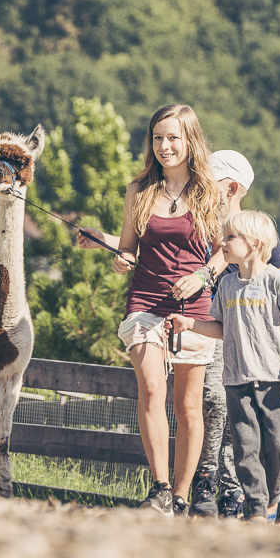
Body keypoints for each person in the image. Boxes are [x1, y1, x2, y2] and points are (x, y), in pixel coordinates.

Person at [91, 104, 224, 516]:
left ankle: (181, 495)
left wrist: (202, 277)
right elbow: (129, 245)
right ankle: (160, 487)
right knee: (151, 386)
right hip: (145, 301)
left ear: (190, 141)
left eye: (173, 138)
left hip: (194, 307)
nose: (165, 146)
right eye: (157, 138)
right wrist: (122, 258)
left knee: (188, 406)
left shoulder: (210, 192)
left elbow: (224, 253)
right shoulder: (139, 190)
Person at [190, 149, 280, 519]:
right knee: (215, 406)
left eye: (211, 181)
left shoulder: (255, 232)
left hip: (259, 342)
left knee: (257, 430)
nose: (201, 186)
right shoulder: (198, 222)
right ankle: (211, 483)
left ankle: (240, 496)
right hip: (219, 322)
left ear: (231, 187)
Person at [170, 210, 280, 522]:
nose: (223, 242)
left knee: (279, 447)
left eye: (231, 237)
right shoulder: (227, 285)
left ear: (255, 244)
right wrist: (188, 323)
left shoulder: (278, 281)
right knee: (246, 450)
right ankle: (257, 510)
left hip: (276, 381)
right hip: (237, 382)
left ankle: (272, 502)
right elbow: (220, 327)